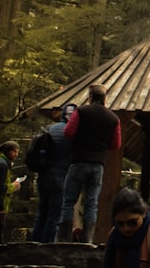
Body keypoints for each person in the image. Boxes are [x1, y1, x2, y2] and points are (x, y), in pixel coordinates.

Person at [57, 83, 122, 243]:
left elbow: (68, 132)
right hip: (98, 164)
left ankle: (64, 238)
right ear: (105, 98)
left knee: (69, 200)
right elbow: (115, 144)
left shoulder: (81, 111)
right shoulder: (113, 118)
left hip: (79, 160)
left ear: (90, 96)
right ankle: (87, 239)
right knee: (91, 203)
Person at [32, 103, 76, 242]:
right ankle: (47, 246)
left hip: (44, 176)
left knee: (42, 213)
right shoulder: (72, 133)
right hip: (60, 177)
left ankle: (34, 243)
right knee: (54, 215)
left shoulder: (51, 129)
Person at [104, 187, 150, 268]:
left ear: (143, 213)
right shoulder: (114, 235)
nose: (126, 228)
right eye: (120, 224)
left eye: (132, 223)